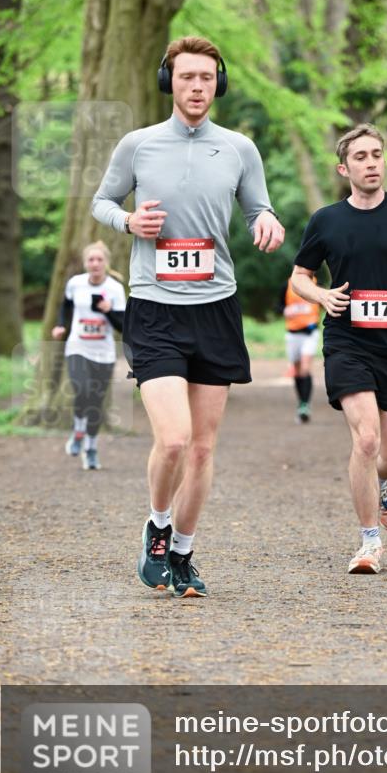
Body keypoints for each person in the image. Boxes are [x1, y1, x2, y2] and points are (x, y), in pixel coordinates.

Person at [91, 36, 284, 598]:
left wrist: (265, 222)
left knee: (202, 448)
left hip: (216, 308)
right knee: (173, 439)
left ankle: (183, 553)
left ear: (217, 84)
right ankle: (157, 526)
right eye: (186, 77)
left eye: (206, 77)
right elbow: (101, 202)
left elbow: (258, 206)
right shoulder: (138, 145)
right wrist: (128, 223)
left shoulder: (240, 148)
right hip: (154, 307)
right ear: (168, 82)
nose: (196, 87)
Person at [291, 124, 387, 575]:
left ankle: (381, 484)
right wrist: (321, 296)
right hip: (347, 341)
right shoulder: (326, 220)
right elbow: (299, 276)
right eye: (360, 157)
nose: (372, 162)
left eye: (377, 154)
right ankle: (368, 541)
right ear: (344, 168)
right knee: (366, 438)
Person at [51, 241, 126, 470]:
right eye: (91, 260)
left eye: (99, 260)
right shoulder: (76, 284)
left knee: (95, 403)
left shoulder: (115, 289)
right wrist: (60, 326)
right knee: (82, 389)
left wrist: (108, 310)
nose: (95, 264)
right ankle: (78, 431)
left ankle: (90, 448)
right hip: (78, 347)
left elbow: (123, 326)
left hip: (103, 353)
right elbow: (65, 306)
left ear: (106, 263)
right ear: (85, 263)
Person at [278, 276, 320, 422]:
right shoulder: (287, 285)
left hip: (310, 332)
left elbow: (323, 302)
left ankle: (305, 405)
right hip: (293, 333)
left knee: (305, 369)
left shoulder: (316, 283)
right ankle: (301, 402)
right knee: (296, 370)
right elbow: (278, 306)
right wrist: (285, 310)